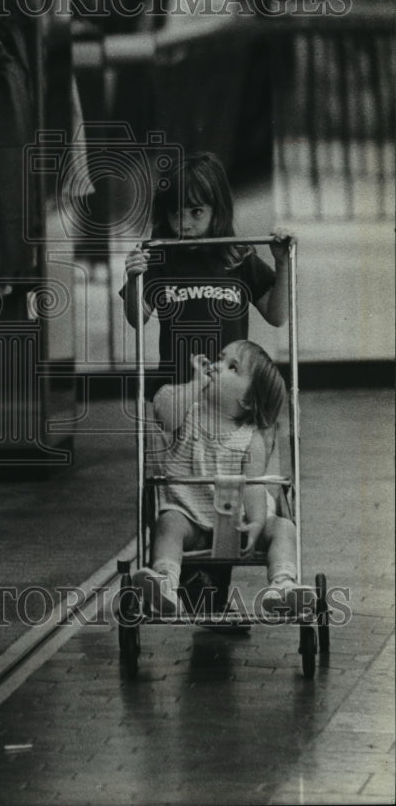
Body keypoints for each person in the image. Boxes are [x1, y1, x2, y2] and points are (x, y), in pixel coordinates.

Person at [132, 341, 316, 619]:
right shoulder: (188, 413)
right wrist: (196, 383)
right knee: (168, 522)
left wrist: (256, 522)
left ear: (247, 400)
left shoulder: (251, 438)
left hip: (238, 523)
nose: (217, 366)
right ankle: (165, 581)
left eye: (233, 367)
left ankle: (282, 584)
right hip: (190, 517)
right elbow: (165, 417)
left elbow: (254, 485)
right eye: (220, 359)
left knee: (283, 527)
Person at [121, 151, 291, 391]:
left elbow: (277, 317)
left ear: (217, 210)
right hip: (177, 389)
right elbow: (137, 319)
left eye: (196, 211)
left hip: (229, 392)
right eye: (175, 213)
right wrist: (132, 281)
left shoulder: (238, 257)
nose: (184, 224)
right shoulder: (160, 259)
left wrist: (282, 264)